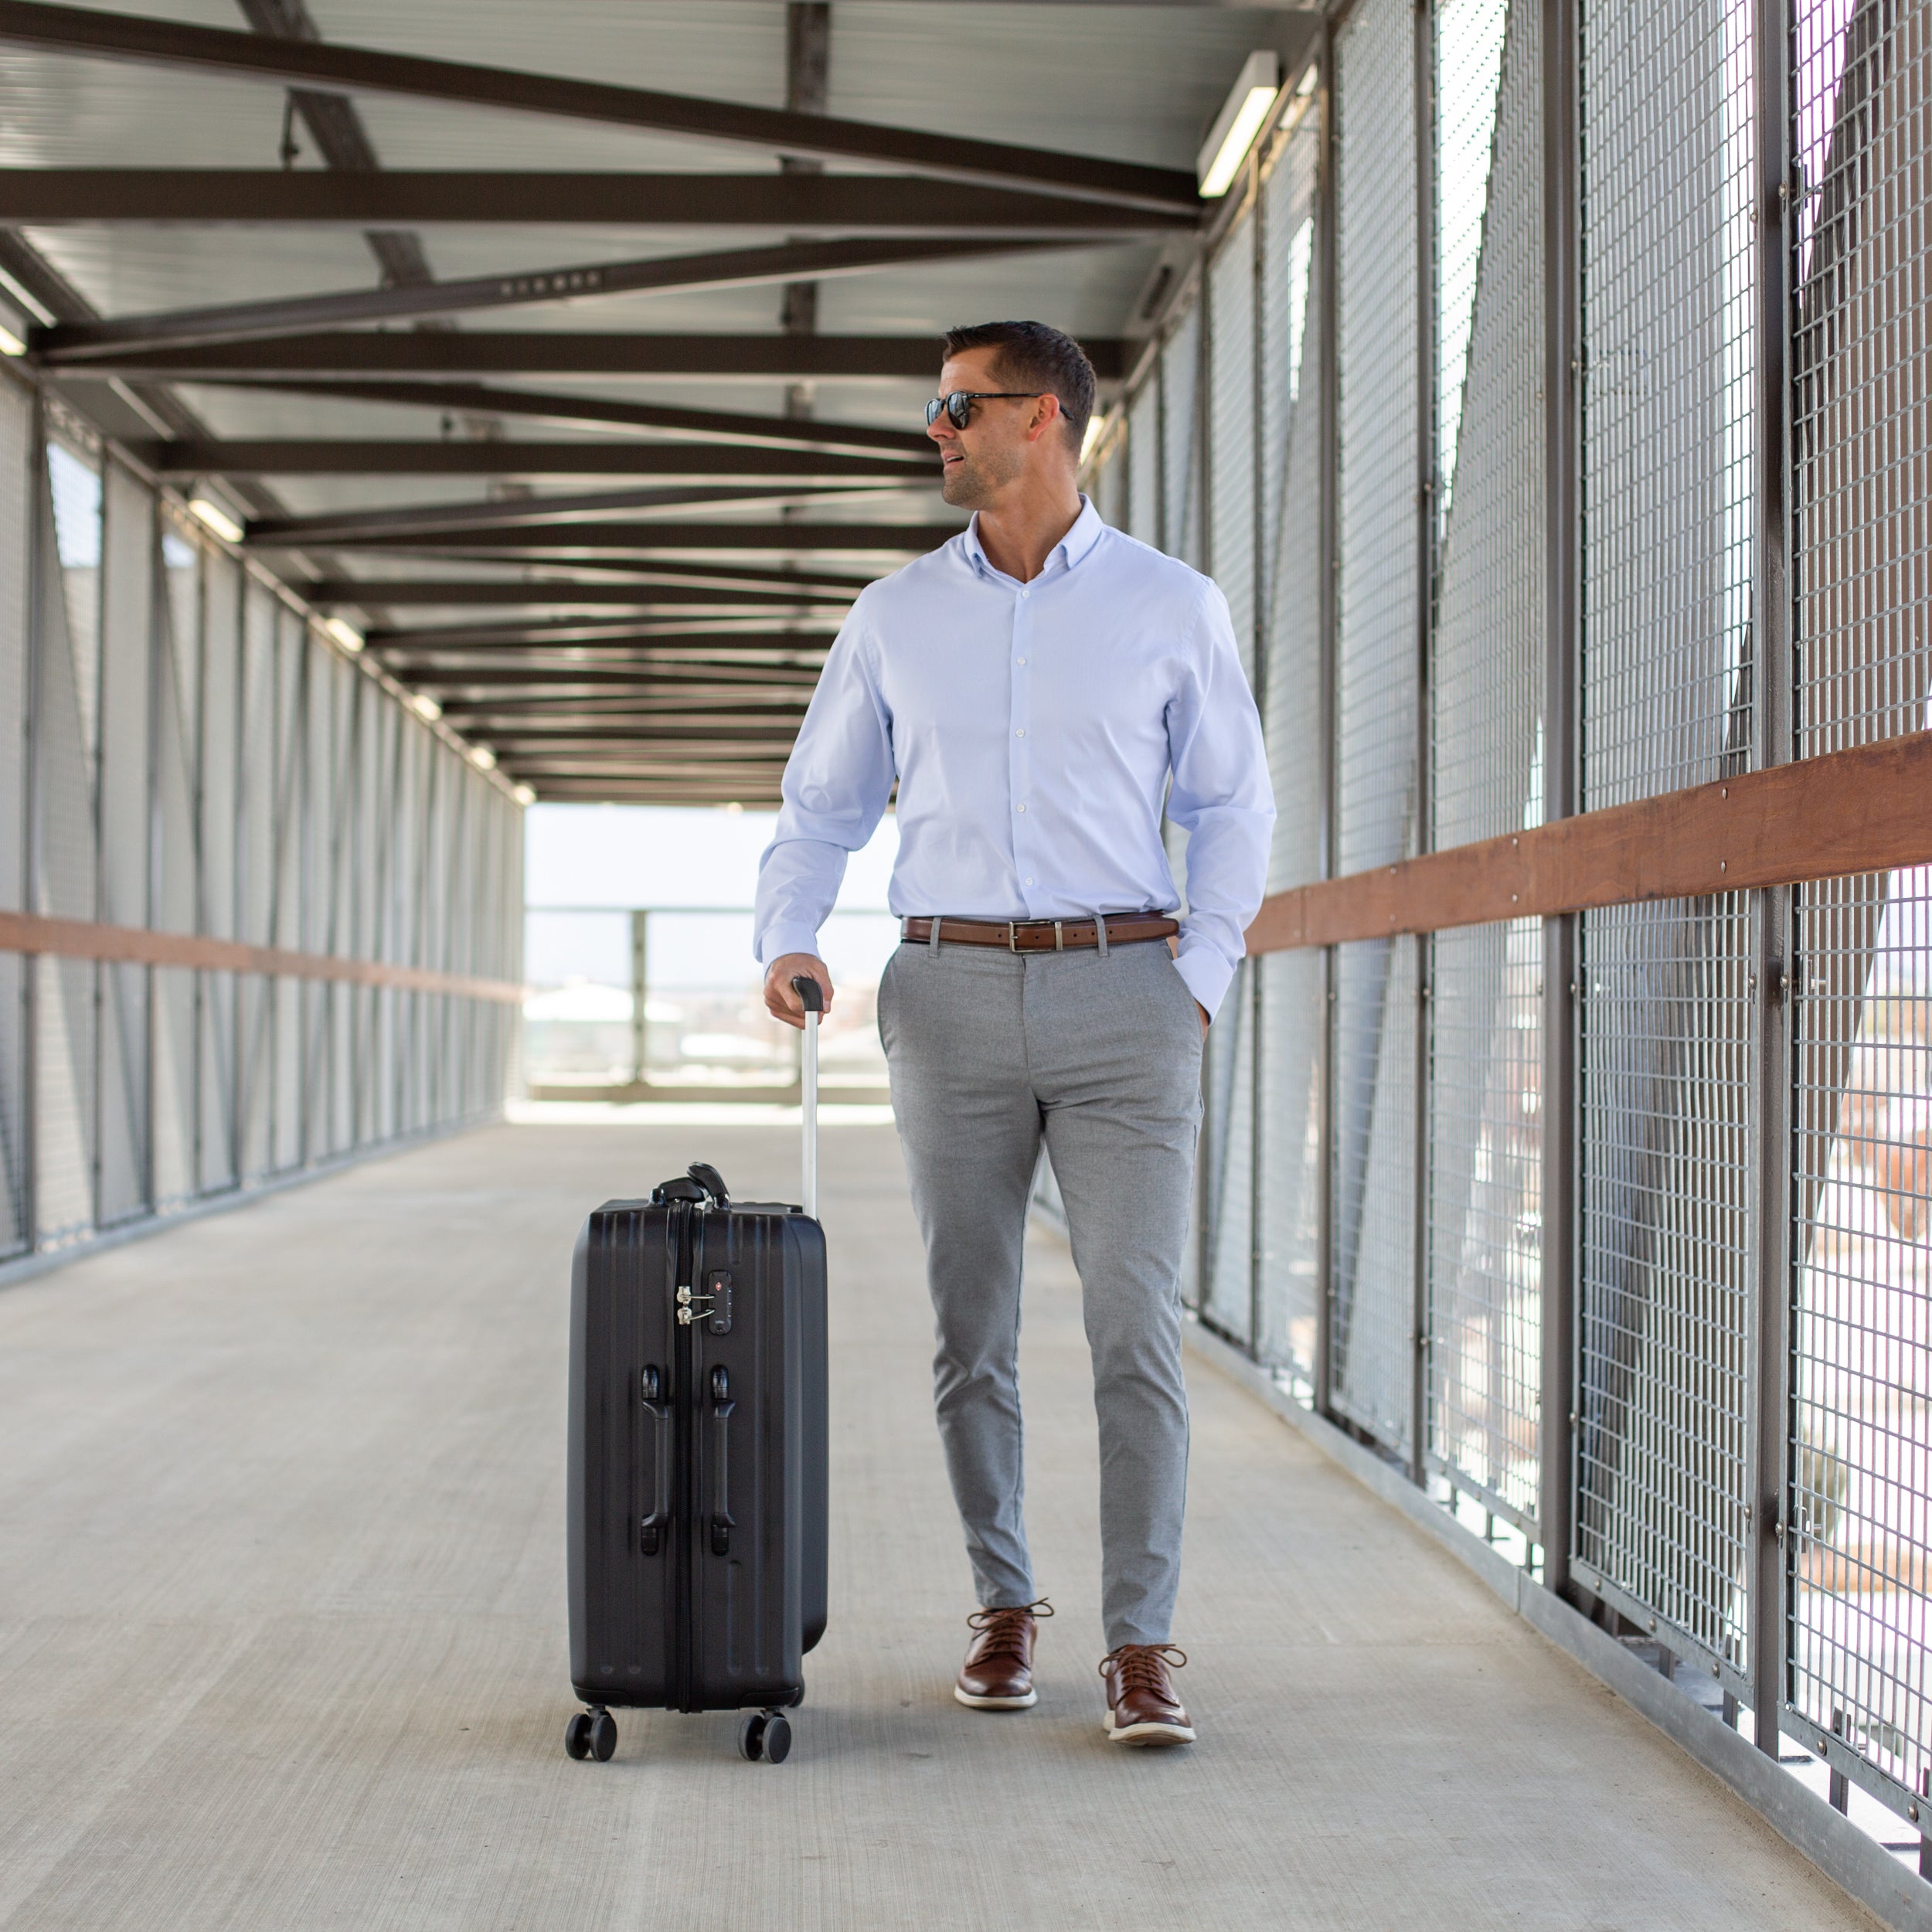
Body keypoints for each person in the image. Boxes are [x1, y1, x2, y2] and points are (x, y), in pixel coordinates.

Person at [753, 319, 1274, 1747]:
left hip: (1128, 996)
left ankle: (1143, 1642)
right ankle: (1001, 1604)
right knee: (969, 1327)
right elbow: (823, 810)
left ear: (1043, 417)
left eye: (958, 408)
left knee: (1134, 1328)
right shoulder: (895, 614)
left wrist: (1203, 974)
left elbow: (1233, 807)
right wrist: (789, 937)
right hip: (952, 995)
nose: (938, 431)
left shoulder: (1173, 606)